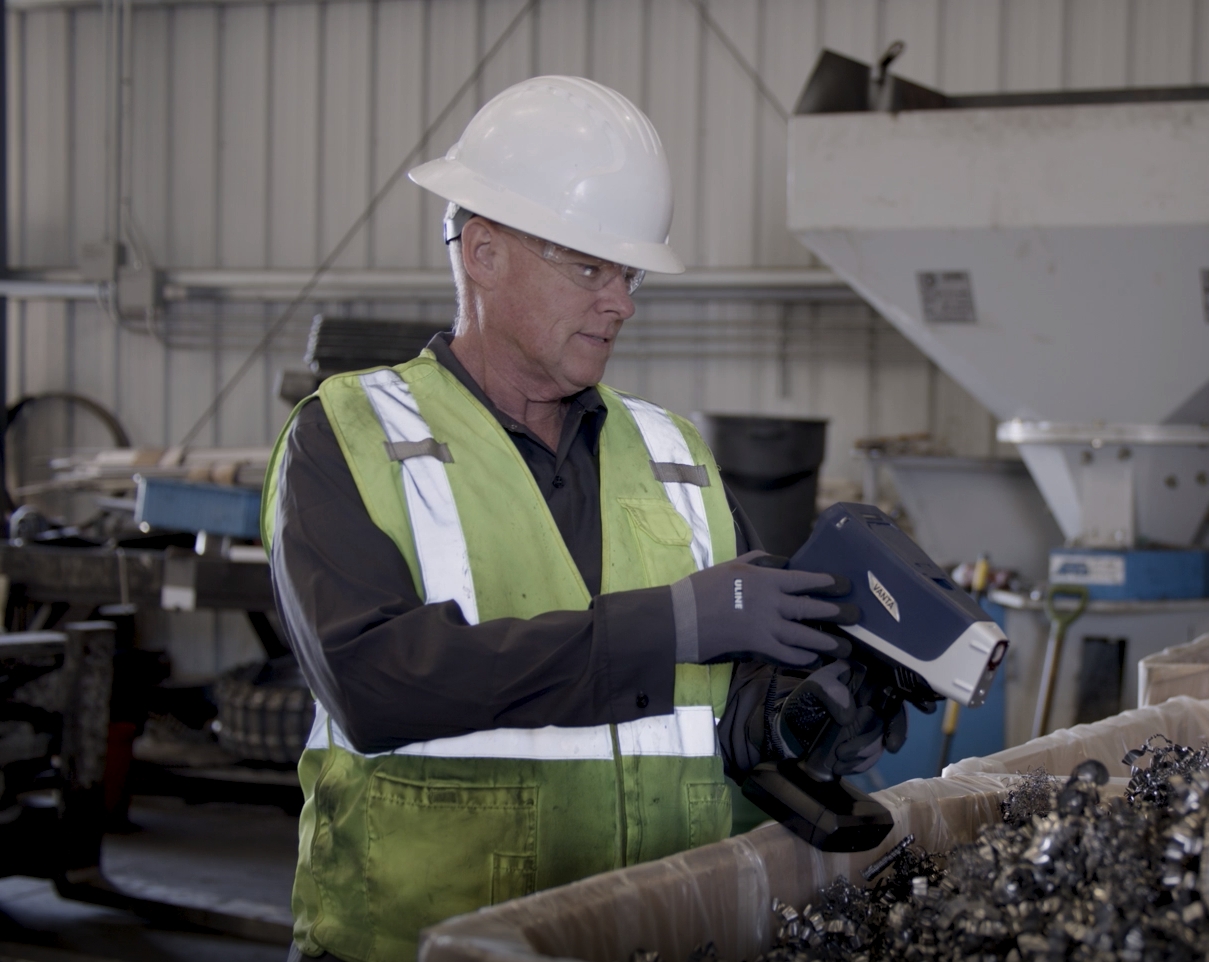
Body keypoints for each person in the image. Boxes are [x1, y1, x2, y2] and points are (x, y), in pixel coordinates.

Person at [263, 76, 906, 962]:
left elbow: (734, 704)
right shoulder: (349, 436)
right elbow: (376, 686)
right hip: (422, 943)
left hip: (661, 937)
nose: (622, 302)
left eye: (629, 275)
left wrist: (815, 714)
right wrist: (668, 625)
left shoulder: (672, 452)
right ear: (483, 253)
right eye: (589, 269)